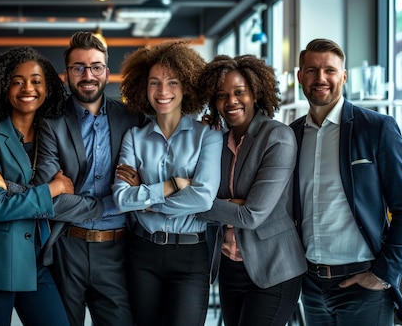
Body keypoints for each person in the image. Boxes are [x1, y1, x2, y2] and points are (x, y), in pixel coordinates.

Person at [290, 38, 402, 325]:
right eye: (311, 70)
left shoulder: (377, 128)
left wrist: (384, 274)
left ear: (343, 76)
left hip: (363, 284)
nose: (321, 78)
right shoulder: (291, 135)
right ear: (300, 77)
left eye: (330, 70)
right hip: (311, 285)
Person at [33, 31, 147, 326]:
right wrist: (115, 203)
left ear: (107, 72)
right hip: (66, 248)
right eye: (78, 67)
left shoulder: (132, 118)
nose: (88, 75)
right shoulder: (51, 124)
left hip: (119, 251)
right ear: (67, 73)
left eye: (96, 66)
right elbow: (49, 201)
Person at [111, 40, 222, 326]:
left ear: (186, 86)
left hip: (190, 255)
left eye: (172, 82)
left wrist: (147, 202)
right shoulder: (134, 138)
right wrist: (172, 184)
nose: (163, 92)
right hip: (143, 254)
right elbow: (122, 199)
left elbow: (203, 198)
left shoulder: (207, 136)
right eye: (154, 83)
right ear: (143, 87)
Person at [0, 47, 74, 326]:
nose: (28, 88)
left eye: (36, 81)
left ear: (47, 88)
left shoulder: (54, 138)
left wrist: (8, 186)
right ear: (4, 88)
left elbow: (69, 196)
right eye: (18, 81)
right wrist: (51, 189)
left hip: (40, 265)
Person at [197, 55, 306, 326]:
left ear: (255, 93)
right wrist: (200, 139)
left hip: (273, 269)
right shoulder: (218, 141)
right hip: (230, 267)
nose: (231, 101)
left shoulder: (277, 136)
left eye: (239, 92)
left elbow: (251, 215)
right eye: (222, 95)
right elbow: (208, 193)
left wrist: (197, 202)